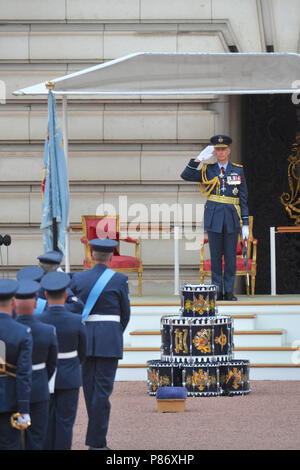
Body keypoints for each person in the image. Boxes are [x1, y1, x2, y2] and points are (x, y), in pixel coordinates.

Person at [70, 238, 131, 450]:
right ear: (112, 256)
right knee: (102, 393)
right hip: (109, 340)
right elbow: (125, 315)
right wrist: (113, 332)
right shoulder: (120, 280)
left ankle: (96, 440)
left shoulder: (78, 278)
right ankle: (97, 443)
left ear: (92, 254)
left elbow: (74, 310)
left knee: (90, 391)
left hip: (85, 339)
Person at [181, 134, 249, 301]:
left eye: (223, 149)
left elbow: (243, 197)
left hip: (232, 217)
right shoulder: (207, 169)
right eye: (217, 150)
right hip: (214, 218)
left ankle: (229, 291)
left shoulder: (237, 169)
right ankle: (217, 291)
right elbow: (186, 176)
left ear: (229, 151)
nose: (220, 153)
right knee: (216, 256)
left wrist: (245, 222)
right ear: (214, 152)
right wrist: (198, 159)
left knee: (231, 258)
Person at [39, 271, 87, 450]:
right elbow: (83, 351)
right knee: (65, 422)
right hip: (69, 373)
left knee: (46, 420)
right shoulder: (76, 320)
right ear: (66, 295)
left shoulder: (39, 319)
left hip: (45, 375)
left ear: (45, 295)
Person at [15, 279, 58, 450]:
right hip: (39, 385)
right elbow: (52, 363)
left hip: (13, 388)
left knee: (12, 438)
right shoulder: (47, 330)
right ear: (35, 305)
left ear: (14, 304)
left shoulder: (7, 329)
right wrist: (41, 378)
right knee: (38, 437)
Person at [0, 279, 32, 450]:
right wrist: (24, 409)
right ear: (13, 302)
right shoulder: (22, 332)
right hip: (9, 401)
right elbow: (24, 375)